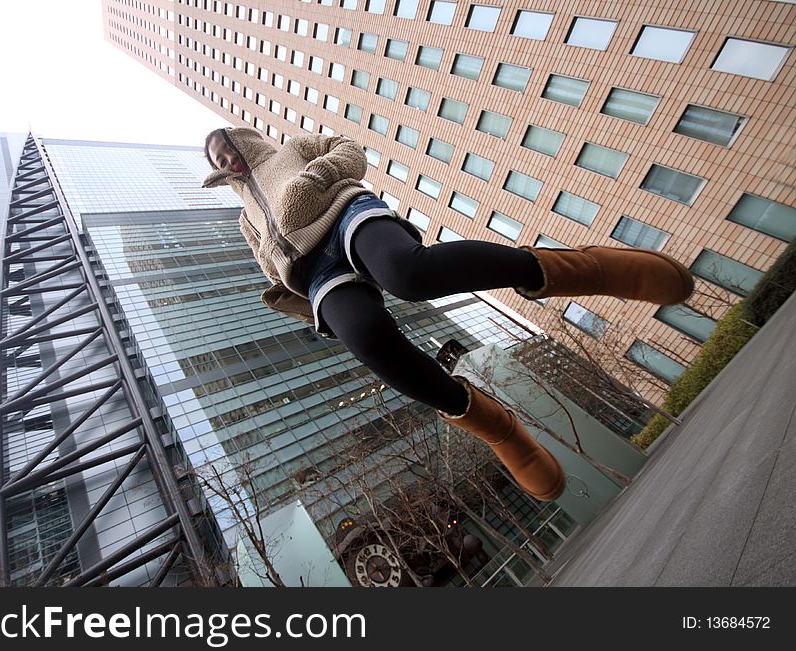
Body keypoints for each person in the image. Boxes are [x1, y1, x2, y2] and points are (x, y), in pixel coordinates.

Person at [203, 127, 694, 502]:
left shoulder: (292, 149)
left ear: (243, 142)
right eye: (218, 162)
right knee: (367, 339)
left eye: (227, 150)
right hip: (314, 274)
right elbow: (268, 264)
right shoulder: (246, 218)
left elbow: (349, 149)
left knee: (409, 276)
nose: (227, 162)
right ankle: (496, 427)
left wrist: (312, 180)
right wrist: (285, 280)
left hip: (342, 215)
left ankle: (581, 269)